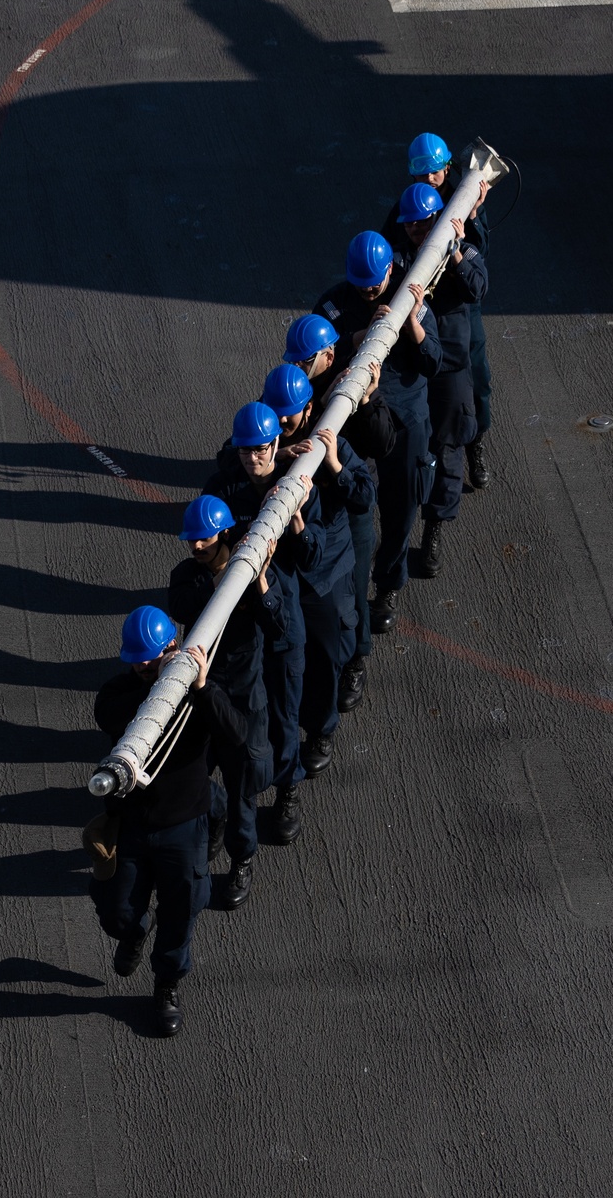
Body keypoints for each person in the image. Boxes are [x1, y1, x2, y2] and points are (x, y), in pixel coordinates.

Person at [91, 608, 247, 1037]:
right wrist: (157, 692)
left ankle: (167, 985)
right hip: (134, 826)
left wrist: (198, 688)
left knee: (183, 911)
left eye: (149, 658)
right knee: (115, 912)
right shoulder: (122, 692)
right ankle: (136, 931)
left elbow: (237, 735)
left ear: (172, 649)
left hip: (183, 823)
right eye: (135, 659)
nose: (140, 666)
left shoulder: (201, 695)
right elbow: (106, 713)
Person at [203, 403, 323, 846]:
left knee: (284, 715)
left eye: (260, 450)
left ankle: (288, 787)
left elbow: (312, 557)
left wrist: (295, 516)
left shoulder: (294, 485)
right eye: (245, 450)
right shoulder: (224, 485)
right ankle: (242, 795)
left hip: (282, 623)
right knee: (239, 724)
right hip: (240, 632)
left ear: (276, 445)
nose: (252, 458)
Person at [315, 232, 442, 635]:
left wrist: (412, 325)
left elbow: (434, 361)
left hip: (404, 420)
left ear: (390, 269)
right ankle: (350, 590)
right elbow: (314, 362)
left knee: (401, 507)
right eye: (361, 284)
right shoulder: (336, 304)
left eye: (375, 283)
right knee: (351, 511)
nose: (368, 291)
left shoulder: (411, 296)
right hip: (355, 423)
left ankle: (387, 584)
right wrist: (358, 338)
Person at [167, 496, 284, 908]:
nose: (196, 547)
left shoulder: (253, 573)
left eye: (203, 539)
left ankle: (241, 860)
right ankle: (213, 820)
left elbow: (278, 627)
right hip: (199, 697)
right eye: (192, 540)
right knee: (187, 774)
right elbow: (180, 605)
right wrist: (221, 586)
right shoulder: (188, 575)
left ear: (224, 534)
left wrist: (263, 581)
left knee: (242, 790)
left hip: (240, 699)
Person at [265, 367, 377, 774]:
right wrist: (275, 457)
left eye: (288, 416)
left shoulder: (333, 445)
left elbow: (365, 496)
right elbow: (230, 460)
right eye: (275, 414)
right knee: (285, 661)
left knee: (328, 657)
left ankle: (321, 730)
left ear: (309, 409)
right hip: (286, 578)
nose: (280, 423)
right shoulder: (264, 445)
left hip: (326, 575)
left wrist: (333, 465)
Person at [283, 317, 396, 708]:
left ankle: (356, 658)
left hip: (347, 509)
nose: (297, 369)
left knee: (353, 589)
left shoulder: (353, 378)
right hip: (311, 516)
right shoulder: (290, 388)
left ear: (327, 356)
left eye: (304, 362)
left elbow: (382, 445)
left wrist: (366, 402)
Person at [393, 183, 488, 575]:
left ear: (438, 220)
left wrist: (455, 256)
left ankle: (433, 529)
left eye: (423, 222)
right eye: (411, 224)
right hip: (413, 367)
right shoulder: (399, 259)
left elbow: (477, 286)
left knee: (448, 447)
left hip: (449, 367)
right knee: (407, 447)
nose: (417, 229)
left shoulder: (461, 249)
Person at [404, 132, 492, 489]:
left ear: (447, 169)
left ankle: (476, 444)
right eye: (422, 174)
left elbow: (479, 254)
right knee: (430, 387)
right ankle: (438, 453)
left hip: (461, 310)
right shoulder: (407, 207)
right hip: (428, 313)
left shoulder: (462, 200)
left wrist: (472, 215)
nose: (429, 179)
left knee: (478, 382)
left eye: (434, 173)